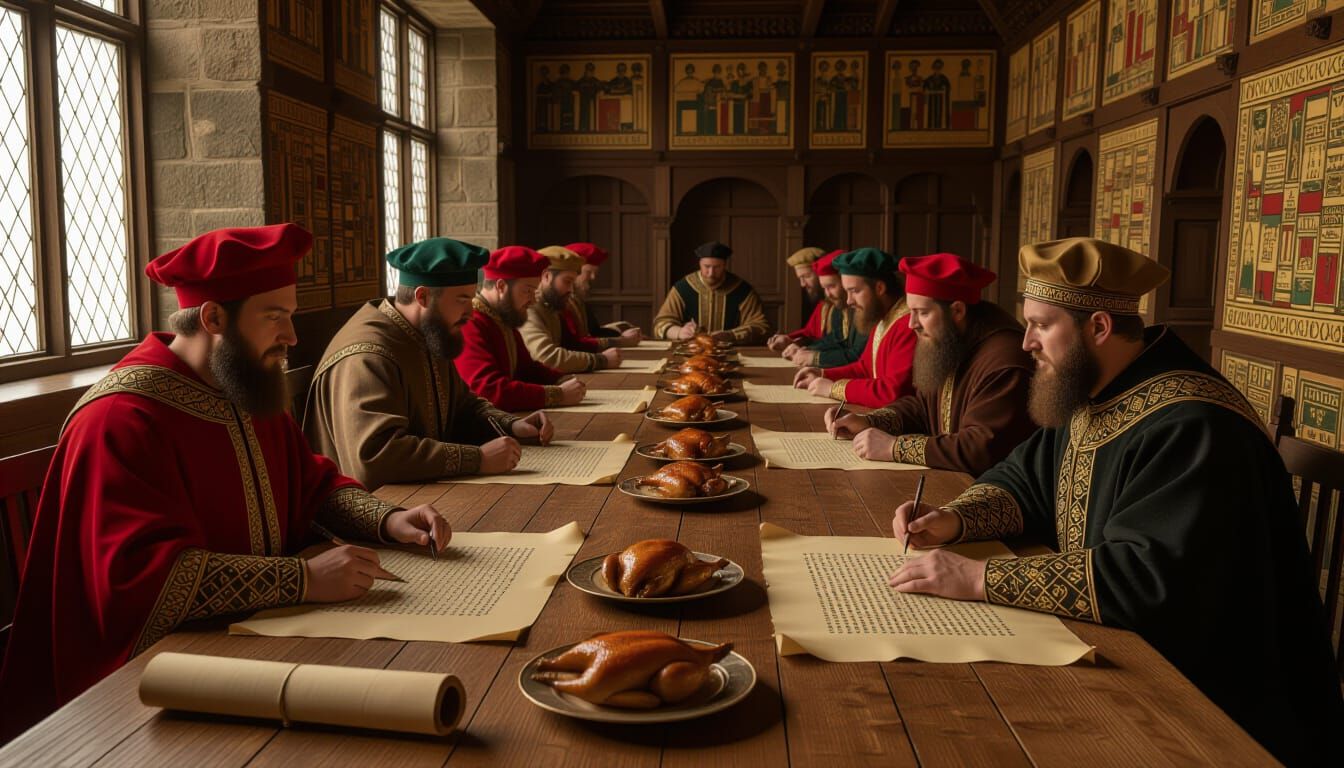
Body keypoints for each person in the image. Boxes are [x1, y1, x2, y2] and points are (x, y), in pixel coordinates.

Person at [888, 237, 1344, 767]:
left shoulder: (1194, 425)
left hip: (1207, 701)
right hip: (1117, 649)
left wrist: (977, 578)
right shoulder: (1095, 387)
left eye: (1041, 325)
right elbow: (1025, 478)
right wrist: (954, 518)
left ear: (1099, 327)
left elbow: (1145, 576)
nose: (1026, 342)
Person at [0, 224, 451, 741]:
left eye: (291, 315)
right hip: (141, 691)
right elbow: (141, 584)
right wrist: (301, 579)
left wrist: (389, 520)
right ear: (213, 318)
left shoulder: (245, 385)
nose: (292, 336)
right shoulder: (120, 419)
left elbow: (312, 484)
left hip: (260, 640)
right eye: (275, 316)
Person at [305, 237, 554, 489]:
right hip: (375, 502)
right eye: (462, 299)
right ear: (422, 296)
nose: (470, 312)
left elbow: (463, 406)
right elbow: (376, 456)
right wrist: (477, 459)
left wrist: (511, 425)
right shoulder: (367, 356)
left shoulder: (426, 331)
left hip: (421, 492)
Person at [826, 253, 1034, 475]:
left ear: (957, 311)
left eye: (922, 313)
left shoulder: (1005, 360)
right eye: (911, 312)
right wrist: (870, 421)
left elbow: (978, 448)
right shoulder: (951, 338)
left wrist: (894, 447)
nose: (912, 324)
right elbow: (922, 408)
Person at [456, 245, 586, 411]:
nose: (533, 300)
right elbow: (488, 390)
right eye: (528, 291)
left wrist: (561, 379)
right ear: (501, 287)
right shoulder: (470, 323)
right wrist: (557, 395)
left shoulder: (503, 317)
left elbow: (527, 369)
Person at [793, 247, 916, 407]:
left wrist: (833, 389)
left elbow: (891, 392)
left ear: (879, 288)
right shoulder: (883, 316)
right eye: (847, 292)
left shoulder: (908, 324)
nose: (849, 301)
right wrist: (823, 373)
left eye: (854, 291)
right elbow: (864, 368)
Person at [520, 245, 623, 373]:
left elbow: (571, 345)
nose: (570, 290)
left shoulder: (552, 306)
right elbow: (546, 357)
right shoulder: (529, 308)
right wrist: (601, 360)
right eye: (567, 281)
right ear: (546, 277)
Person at [653, 241, 770, 343]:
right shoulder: (682, 288)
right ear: (700, 264)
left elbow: (762, 327)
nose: (711, 273)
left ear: (724, 265)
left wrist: (732, 335)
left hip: (732, 353)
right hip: (689, 352)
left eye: (717, 267)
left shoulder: (742, 290)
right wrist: (679, 332)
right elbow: (660, 325)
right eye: (707, 266)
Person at [780, 250, 867, 367]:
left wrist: (816, 358)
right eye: (824, 288)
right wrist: (807, 349)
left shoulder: (862, 307)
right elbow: (837, 339)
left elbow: (858, 355)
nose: (828, 294)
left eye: (831, 286)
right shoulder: (839, 304)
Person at [564, 242, 642, 346]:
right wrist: (622, 339)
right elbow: (577, 342)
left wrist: (621, 329)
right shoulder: (562, 302)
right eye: (588, 272)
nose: (593, 277)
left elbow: (593, 332)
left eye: (595, 273)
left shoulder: (578, 299)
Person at [766, 246, 824, 351]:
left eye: (806, 276)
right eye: (800, 278)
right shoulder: (823, 303)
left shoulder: (838, 301)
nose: (802, 284)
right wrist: (788, 339)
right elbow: (810, 333)